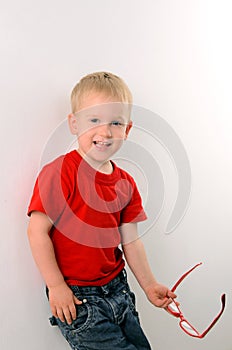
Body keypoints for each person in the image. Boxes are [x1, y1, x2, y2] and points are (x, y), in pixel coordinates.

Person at [27, 71, 177, 350]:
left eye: (115, 122)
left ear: (127, 130)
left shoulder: (126, 183)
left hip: (119, 289)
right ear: (74, 123)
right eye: (93, 120)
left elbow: (131, 241)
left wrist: (149, 285)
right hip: (80, 299)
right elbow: (37, 232)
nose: (105, 132)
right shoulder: (60, 172)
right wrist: (57, 286)